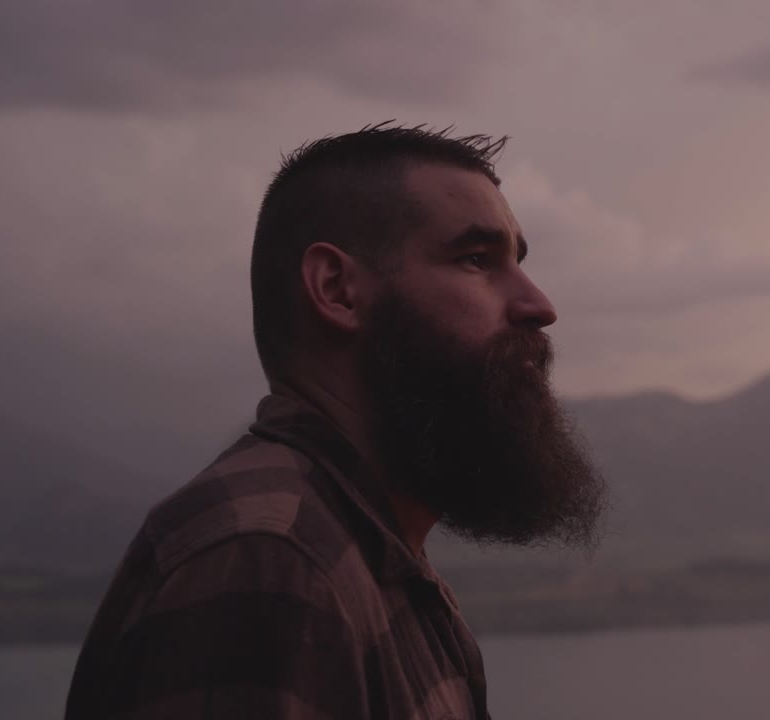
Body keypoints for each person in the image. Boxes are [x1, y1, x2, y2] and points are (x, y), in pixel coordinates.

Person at [64, 123, 607, 719]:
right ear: (337, 290)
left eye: (517, 262)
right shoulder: (268, 562)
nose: (539, 305)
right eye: (477, 259)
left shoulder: (375, 563)